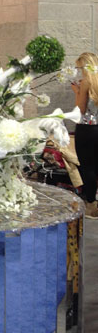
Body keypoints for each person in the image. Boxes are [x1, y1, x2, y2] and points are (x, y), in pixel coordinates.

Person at [71, 52, 98, 218]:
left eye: (80, 68)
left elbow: (80, 109)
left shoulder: (86, 81)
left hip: (86, 129)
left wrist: (76, 91)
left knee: (87, 167)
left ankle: (90, 204)